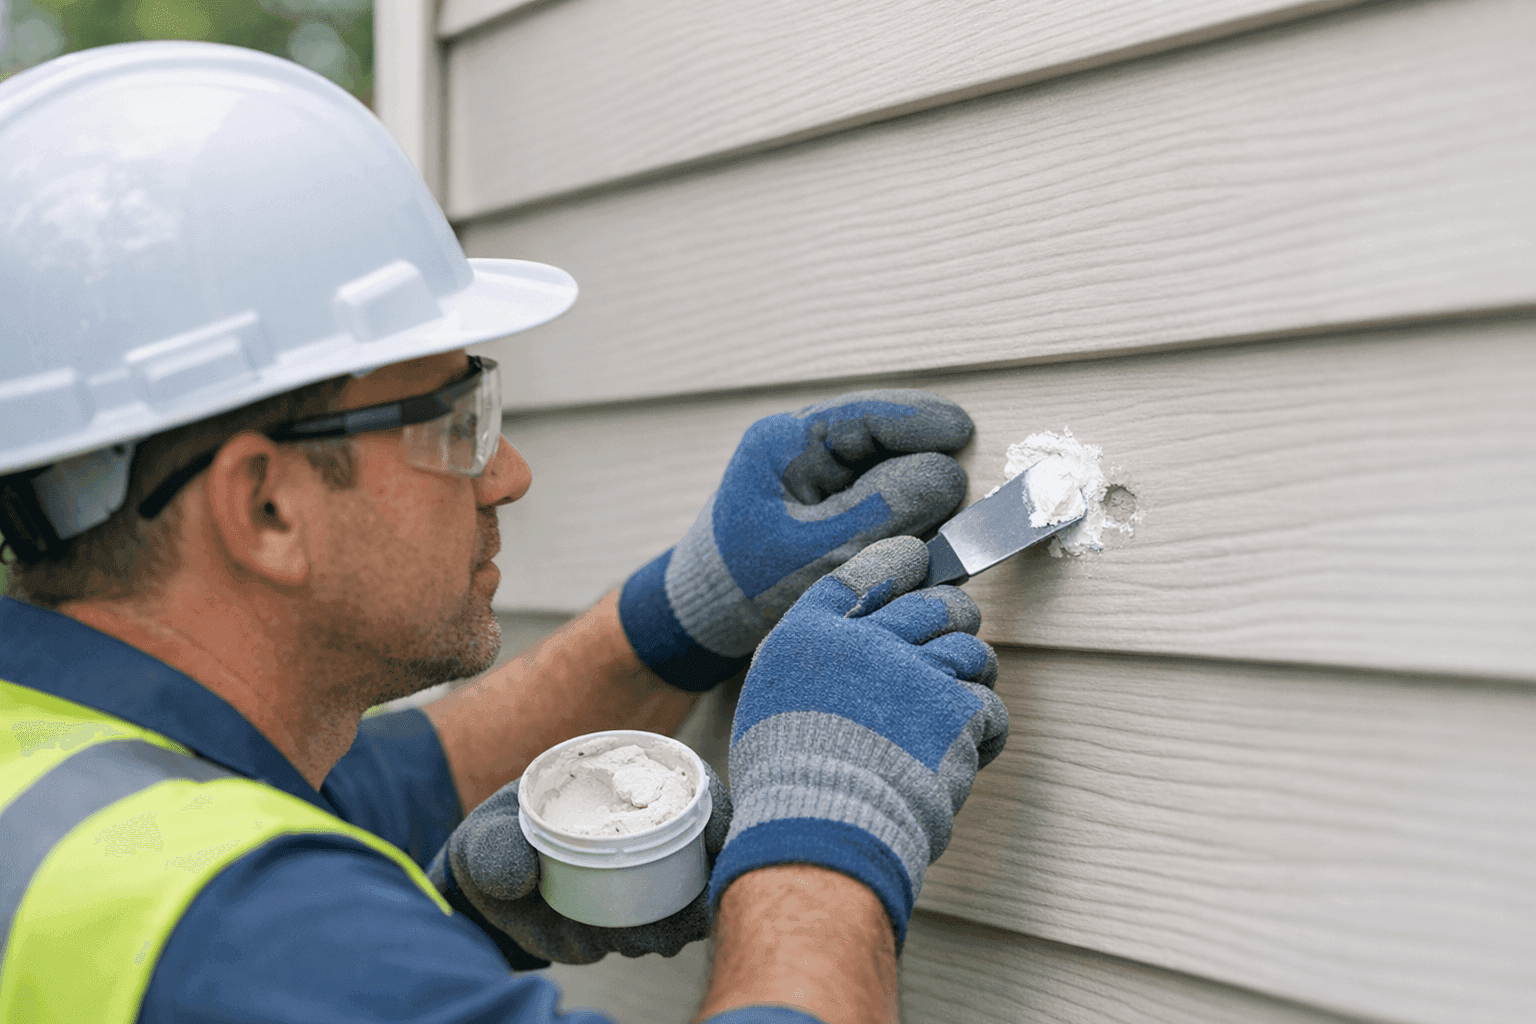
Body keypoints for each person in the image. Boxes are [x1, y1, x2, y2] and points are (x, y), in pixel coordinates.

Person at [0, 42, 1008, 1024]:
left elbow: (389, 782)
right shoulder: (247, 930)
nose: (508, 474)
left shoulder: (59, 760)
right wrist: (822, 837)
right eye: (453, 419)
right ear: (266, 507)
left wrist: (681, 615)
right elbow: (268, 941)